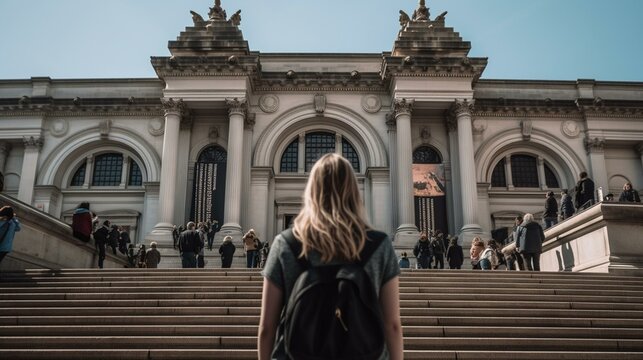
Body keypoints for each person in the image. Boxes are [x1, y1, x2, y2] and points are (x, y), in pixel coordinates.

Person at [258, 153, 403, 360]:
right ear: (353, 191)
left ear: (312, 190)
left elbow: (267, 327)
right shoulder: (379, 245)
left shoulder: (285, 244)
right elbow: (392, 324)